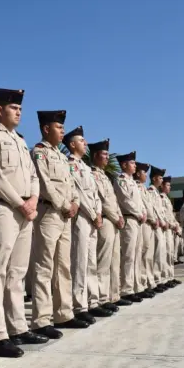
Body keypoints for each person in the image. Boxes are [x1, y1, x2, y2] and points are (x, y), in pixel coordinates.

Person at [0, 88, 47, 359]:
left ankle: (17, 327)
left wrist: (32, 199)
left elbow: (33, 175)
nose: (18, 111)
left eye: (20, 108)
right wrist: (20, 202)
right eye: (13, 107)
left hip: (24, 211)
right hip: (2, 208)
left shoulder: (19, 140)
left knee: (17, 272)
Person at [31, 110, 88, 339]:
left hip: (64, 215)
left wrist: (74, 203)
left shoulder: (62, 157)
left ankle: (63, 313)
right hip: (49, 213)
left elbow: (71, 185)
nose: (62, 131)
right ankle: (41, 319)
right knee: (44, 268)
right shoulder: (39, 152)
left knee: (63, 266)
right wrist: (66, 204)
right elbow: (45, 184)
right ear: (46, 129)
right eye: (58, 127)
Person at [64, 126, 113, 323]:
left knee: (91, 262)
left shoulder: (85, 167)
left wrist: (99, 212)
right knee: (80, 262)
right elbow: (80, 193)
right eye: (81, 141)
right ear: (72, 144)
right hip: (83, 218)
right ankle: (79, 304)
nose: (85, 144)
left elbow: (95, 195)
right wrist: (94, 214)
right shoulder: (72, 165)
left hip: (93, 217)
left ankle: (93, 302)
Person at [89, 139, 125, 311]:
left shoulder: (105, 176)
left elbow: (114, 200)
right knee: (102, 262)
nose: (106, 158)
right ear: (95, 156)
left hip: (114, 220)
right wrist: (115, 216)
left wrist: (119, 215)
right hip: (105, 219)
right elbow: (102, 201)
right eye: (104, 154)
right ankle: (101, 298)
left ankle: (112, 295)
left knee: (114, 260)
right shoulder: (93, 174)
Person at [114, 151, 146, 303]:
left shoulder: (133, 182)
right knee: (128, 256)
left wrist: (143, 212)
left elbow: (140, 202)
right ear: (124, 165)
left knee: (137, 254)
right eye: (132, 163)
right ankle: (127, 289)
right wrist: (140, 213)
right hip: (129, 219)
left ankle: (136, 286)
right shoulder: (121, 181)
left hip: (138, 220)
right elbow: (126, 201)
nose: (135, 166)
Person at [134, 162, 158, 297]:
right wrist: (153, 219)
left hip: (150, 223)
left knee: (149, 255)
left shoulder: (143, 188)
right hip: (144, 222)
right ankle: (142, 283)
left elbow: (150, 207)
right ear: (138, 174)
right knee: (142, 255)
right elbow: (144, 206)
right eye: (144, 173)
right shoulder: (138, 187)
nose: (146, 176)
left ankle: (148, 282)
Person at [148, 166, 170, 291]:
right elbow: (153, 209)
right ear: (154, 178)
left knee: (162, 253)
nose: (162, 180)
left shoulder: (156, 193)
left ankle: (162, 279)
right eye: (160, 178)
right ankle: (157, 279)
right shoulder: (151, 192)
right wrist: (160, 221)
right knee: (156, 254)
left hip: (161, 225)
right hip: (156, 225)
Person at [161, 177, 181, 285]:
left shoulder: (167, 199)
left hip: (171, 228)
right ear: (162, 186)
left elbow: (171, 216)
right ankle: (165, 277)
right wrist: (173, 224)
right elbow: (164, 215)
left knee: (170, 252)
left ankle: (170, 276)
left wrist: (176, 224)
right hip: (166, 228)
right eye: (167, 185)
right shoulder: (161, 197)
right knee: (166, 253)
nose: (169, 187)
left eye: (169, 185)